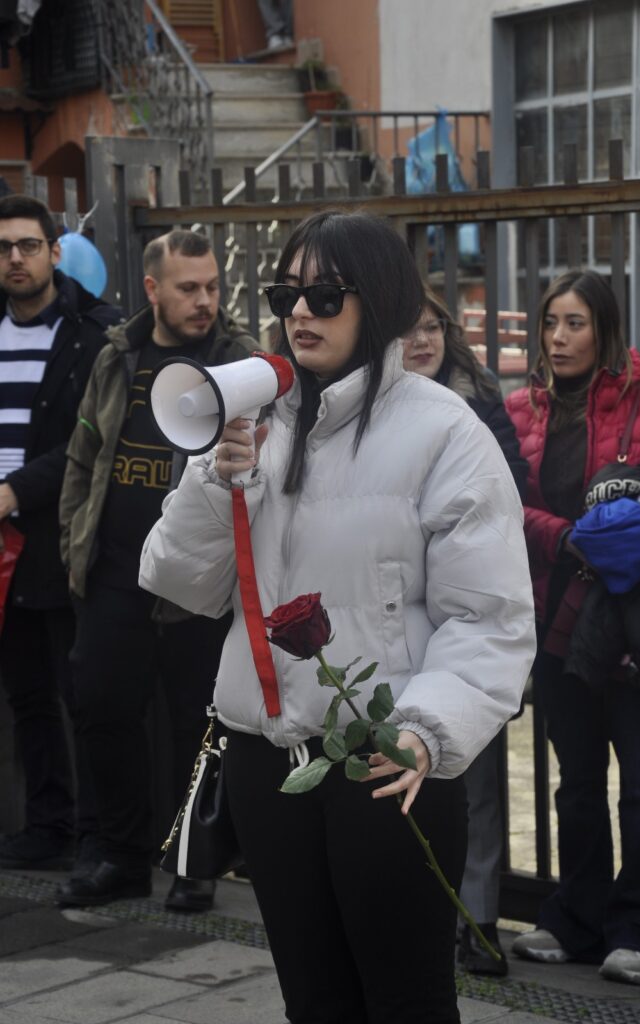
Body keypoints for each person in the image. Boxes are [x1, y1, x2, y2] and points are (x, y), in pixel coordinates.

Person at [139, 210, 536, 1023]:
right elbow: (178, 581)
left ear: (381, 299)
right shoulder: (257, 419)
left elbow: (490, 617)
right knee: (313, 999)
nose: (299, 313)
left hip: (388, 764)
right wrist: (215, 480)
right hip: (266, 758)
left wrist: (428, 729)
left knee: (406, 1001)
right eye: (288, 292)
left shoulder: (445, 432)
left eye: (324, 293)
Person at [56, 230, 257, 910]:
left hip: (200, 582)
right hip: (114, 573)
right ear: (152, 289)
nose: (204, 301)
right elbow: (83, 454)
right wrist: (72, 542)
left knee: (198, 725)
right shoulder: (118, 356)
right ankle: (121, 857)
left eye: (211, 287)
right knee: (104, 711)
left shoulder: (240, 362)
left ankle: (194, 863)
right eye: (188, 288)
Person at [505, 269, 640, 986]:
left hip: (636, 621)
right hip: (556, 619)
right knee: (575, 783)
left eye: (575, 323)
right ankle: (575, 916)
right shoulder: (520, 410)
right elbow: (502, 506)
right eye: (551, 323)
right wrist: (571, 537)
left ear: (605, 329)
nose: (559, 337)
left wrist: (625, 516)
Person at [402, 286, 528, 978]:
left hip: (464, 609)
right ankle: (420, 914)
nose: (423, 341)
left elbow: (509, 488)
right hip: (392, 623)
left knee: (476, 780)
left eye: (433, 328)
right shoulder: (362, 410)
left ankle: (478, 922)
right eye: (409, 330)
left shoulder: (478, 403)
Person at [0, 194, 121, 870]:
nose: (14, 258)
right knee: (26, 696)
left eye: (27, 245)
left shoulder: (93, 331)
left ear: (53, 251)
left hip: (62, 536)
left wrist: (15, 491)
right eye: (3, 247)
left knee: (82, 694)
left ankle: (95, 835)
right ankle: (45, 827)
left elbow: (89, 431)